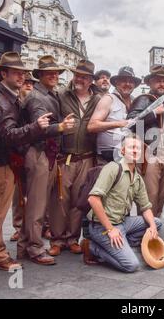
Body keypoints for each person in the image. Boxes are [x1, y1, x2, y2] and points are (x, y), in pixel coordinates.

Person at [0, 52, 46, 271]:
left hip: (1, 158)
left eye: (23, 73)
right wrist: (36, 127)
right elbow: (9, 134)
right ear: (3, 74)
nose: (21, 77)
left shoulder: (7, 95)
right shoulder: (2, 99)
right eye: (16, 73)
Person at [17, 55, 75, 266]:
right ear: (39, 75)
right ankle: (35, 248)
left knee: (37, 203)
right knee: (37, 205)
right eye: (49, 72)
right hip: (40, 153)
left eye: (56, 72)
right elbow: (39, 127)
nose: (54, 75)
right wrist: (60, 127)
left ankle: (25, 246)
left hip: (46, 154)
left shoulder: (49, 94)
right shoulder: (38, 98)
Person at [48, 60, 102, 256]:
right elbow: (51, 122)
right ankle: (56, 239)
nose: (80, 79)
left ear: (91, 80)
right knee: (59, 200)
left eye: (85, 77)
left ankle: (72, 238)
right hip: (65, 157)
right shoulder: (61, 94)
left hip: (87, 156)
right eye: (78, 75)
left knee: (79, 201)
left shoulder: (97, 100)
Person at [86, 134, 162, 273]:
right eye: (131, 147)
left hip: (122, 223)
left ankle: (122, 243)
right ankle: (93, 247)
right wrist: (110, 229)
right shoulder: (113, 168)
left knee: (156, 223)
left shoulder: (137, 178)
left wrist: (152, 226)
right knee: (131, 265)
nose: (135, 151)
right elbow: (93, 199)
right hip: (101, 226)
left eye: (138, 148)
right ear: (122, 151)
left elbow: (145, 207)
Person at [127, 66, 164, 221]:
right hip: (150, 155)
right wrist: (154, 112)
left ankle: (155, 232)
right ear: (150, 83)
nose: (162, 84)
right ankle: (146, 233)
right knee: (149, 196)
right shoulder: (145, 99)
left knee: (162, 196)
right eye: (158, 81)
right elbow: (131, 122)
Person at [88, 66, 141, 164]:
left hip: (128, 158)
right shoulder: (108, 99)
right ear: (117, 82)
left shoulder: (135, 102)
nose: (127, 84)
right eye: (124, 80)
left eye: (131, 81)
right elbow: (92, 126)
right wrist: (119, 124)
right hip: (107, 159)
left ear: (134, 85)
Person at [10, 72, 38, 242]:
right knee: (19, 192)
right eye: (26, 82)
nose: (28, 85)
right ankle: (18, 226)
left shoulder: (36, 102)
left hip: (35, 149)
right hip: (17, 151)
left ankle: (39, 226)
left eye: (31, 83)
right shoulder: (15, 104)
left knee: (37, 192)